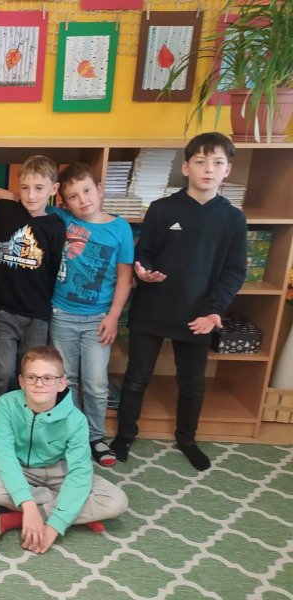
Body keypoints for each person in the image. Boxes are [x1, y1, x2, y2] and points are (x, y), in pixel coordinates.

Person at [113, 132, 247, 471]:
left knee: (192, 383)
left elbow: (234, 272)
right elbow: (144, 253)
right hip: (152, 308)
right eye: (200, 161)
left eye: (217, 163)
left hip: (198, 314)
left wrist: (214, 311)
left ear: (227, 169)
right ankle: (125, 434)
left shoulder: (233, 219)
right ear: (186, 167)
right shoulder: (162, 209)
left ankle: (187, 438)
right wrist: (143, 271)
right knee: (137, 376)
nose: (208, 169)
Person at [0, 345, 128, 553]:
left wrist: (55, 526)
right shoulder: (6, 404)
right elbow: (4, 455)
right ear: (22, 381)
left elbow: (79, 472)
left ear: (61, 383)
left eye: (48, 378)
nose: (39, 384)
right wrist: (28, 503)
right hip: (21, 469)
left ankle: (23, 518)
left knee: (116, 501)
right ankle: (66, 510)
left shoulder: (77, 420)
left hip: (60, 470)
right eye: (32, 377)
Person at [49, 163, 134, 467]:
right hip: (61, 314)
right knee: (66, 380)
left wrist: (113, 317)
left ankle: (96, 437)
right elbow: (26, 196)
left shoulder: (120, 228)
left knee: (96, 383)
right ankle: (72, 435)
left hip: (99, 318)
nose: (82, 199)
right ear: (64, 202)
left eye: (86, 190)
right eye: (73, 196)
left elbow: (125, 278)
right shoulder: (63, 219)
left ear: (99, 188)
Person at [0, 155, 66, 426]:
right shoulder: (6, 210)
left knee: (28, 370)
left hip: (37, 313)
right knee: (3, 370)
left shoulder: (55, 226)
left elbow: (53, 269)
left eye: (39, 188)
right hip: (4, 309)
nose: (31, 195)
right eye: (25, 188)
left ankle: (20, 415)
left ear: (54, 189)